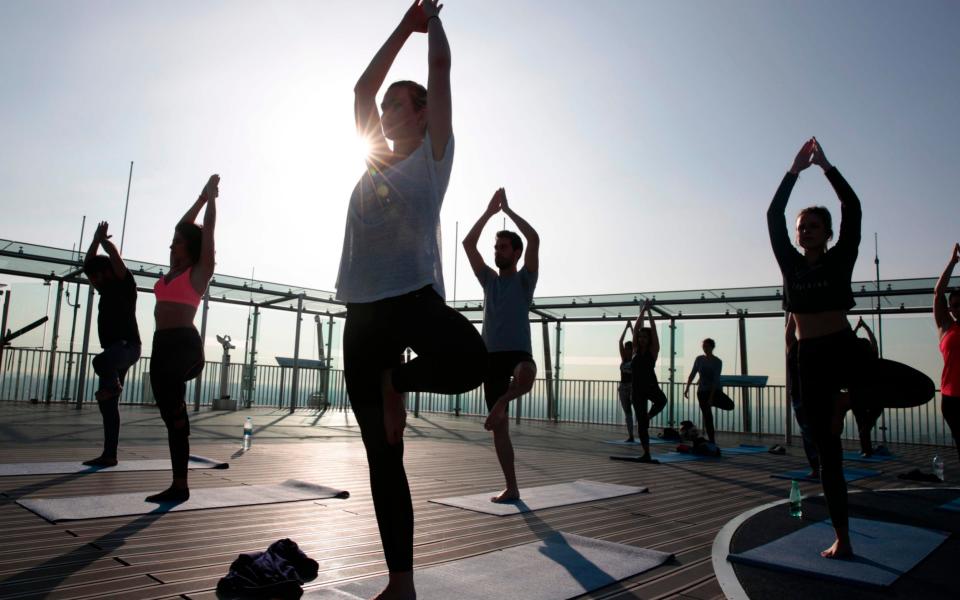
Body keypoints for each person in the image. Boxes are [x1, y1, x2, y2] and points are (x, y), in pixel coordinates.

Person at [336, 2, 486, 597]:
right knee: (383, 455)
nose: (388, 108)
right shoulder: (371, 156)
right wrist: (401, 25)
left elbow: (442, 68)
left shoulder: (433, 158)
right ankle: (402, 583)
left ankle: (397, 383)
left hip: (413, 299)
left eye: (400, 102)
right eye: (390, 104)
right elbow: (361, 88)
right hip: (361, 311)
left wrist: (431, 22)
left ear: (422, 114)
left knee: (472, 362)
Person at [768, 137, 862, 558]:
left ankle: (850, 399)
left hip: (842, 347)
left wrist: (826, 166)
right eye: (801, 226)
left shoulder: (840, 260)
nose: (805, 231)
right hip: (809, 358)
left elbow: (853, 209)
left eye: (813, 226)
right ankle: (842, 536)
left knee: (870, 377)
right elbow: (773, 216)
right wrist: (793, 171)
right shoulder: (790, 265)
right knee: (828, 455)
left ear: (827, 234)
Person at [462, 187, 540, 503]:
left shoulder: (525, 280)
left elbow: (534, 239)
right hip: (490, 358)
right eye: (496, 247)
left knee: (525, 375)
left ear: (516, 253)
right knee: (500, 431)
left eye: (503, 247)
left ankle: (503, 400)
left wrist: (509, 209)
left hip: (518, 355)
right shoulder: (488, 281)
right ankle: (512, 486)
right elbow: (468, 244)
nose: (497, 251)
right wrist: (489, 212)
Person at [146, 174, 218, 503]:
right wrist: (199, 197)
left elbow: (208, 232)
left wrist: (211, 200)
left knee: (175, 414)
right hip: (162, 347)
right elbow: (181, 224)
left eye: (177, 241)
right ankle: (179, 484)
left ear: (188, 245)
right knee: (170, 417)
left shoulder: (197, 273)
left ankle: (180, 486)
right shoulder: (171, 272)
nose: (171, 244)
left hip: (184, 346)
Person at [81, 221, 141, 467]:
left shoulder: (125, 285)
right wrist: (94, 240)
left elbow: (115, 258)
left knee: (100, 361)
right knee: (108, 405)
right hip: (115, 353)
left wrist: (105, 242)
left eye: (96, 276)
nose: (93, 280)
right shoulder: (105, 291)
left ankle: (114, 386)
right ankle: (109, 454)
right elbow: (88, 265)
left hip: (127, 348)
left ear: (107, 272)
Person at [630, 300, 668, 462]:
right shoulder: (635, 350)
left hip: (650, 385)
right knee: (641, 425)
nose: (642, 339)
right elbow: (637, 327)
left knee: (662, 401)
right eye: (640, 337)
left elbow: (654, 332)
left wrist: (649, 312)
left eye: (645, 337)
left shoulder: (653, 351)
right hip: (637, 389)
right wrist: (642, 311)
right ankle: (646, 452)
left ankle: (649, 415)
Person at [934, 243, 960, 459]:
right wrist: (952, 263)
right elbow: (939, 292)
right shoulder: (947, 327)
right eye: (955, 305)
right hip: (952, 399)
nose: (958, 308)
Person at [786, 313, 820, 479]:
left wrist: (793, 312)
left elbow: (789, 334)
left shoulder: (795, 349)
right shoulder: (811, 349)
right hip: (807, 395)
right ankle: (817, 467)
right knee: (812, 432)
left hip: (804, 395)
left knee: (809, 433)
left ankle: (817, 467)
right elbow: (790, 335)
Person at [850, 317, 883, 457]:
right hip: (872, 396)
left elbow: (849, 342)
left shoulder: (855, 360)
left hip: (860, 395)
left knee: (862, 424)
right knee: (865, 425)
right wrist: (866, 328)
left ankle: (866, 449)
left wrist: (857, 328)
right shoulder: (872, 357)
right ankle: (866, 449)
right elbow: (874, 342)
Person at [683, 338, 723, 444]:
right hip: (702, 392)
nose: (705, 348)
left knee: (730, 405)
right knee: (707, 415)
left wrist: (711, 398)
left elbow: (715, 380)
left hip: (714, 391)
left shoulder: (717, 362)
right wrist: (687, 388)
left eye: (707, 346)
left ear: (712, 347)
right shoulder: (699, 359)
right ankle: (712, 440)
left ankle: (713, 402)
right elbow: (692, 374)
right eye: (703, 346)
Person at [617, 321, 636, 442]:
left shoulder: (635, 358)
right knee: (628, 412)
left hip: (633, 387)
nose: (626, 350)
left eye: (628, 348)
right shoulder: (623, 359)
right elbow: (620, 342)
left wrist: (632, 329)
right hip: (623, 387)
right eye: (625, 348)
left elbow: (637, 343)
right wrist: (626, 327)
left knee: (639, 410)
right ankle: (631, 436)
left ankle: (641, 432)